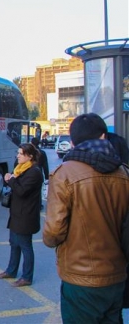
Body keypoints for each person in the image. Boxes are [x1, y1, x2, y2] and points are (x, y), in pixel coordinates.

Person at [43, 113, 129, 323]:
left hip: (80, 279)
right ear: (103, 137)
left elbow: (53, 232)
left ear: (72, 142)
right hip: (117, 275)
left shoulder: (64, 174)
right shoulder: (124, 174)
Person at [0, 143, 43, 287]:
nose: (18, 156)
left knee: (25, 246)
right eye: (18, 153)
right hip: (17, 213)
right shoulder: (20, 169)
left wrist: (11, 180)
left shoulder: (34, 172)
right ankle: (11, 270)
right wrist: (12, 178)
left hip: (26, 215)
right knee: (14, 243)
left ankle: (27, 277)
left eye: (21, 154)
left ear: (29, 156)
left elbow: (22, 191)